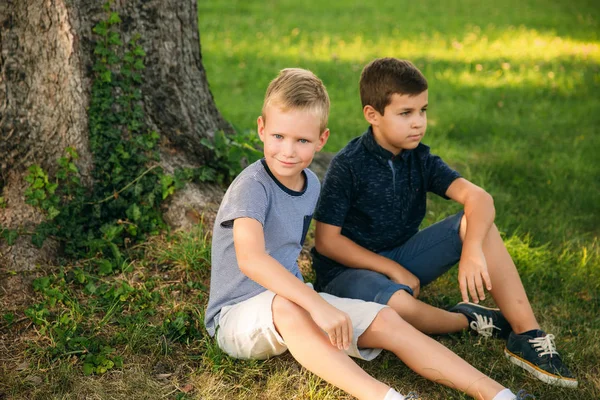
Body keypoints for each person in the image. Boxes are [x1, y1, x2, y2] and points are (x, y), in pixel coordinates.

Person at [204, 67, 534, 400]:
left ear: (321, 140)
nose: (288, 150)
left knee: (389, 320)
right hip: (238, 315)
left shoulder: (310, 183)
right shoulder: (252, 186)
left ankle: (499, 395)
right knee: (289, 308)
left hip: (295, 298)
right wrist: (317, 305)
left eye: (302, 140)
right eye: (278, 136)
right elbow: (251, 259)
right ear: (262, 129)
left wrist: (316, 303)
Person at [311, 57, 577, 389]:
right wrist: (392, 270)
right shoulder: (348, 165)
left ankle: (526, 333)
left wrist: (473, 251)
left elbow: (480, 199)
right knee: (402, 306)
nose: (418, 123)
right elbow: (327, 242)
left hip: (402, 254)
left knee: (477, 224)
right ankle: (466, 319)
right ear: (372, 115)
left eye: (422, 110)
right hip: (346, 274)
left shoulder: (419, 158)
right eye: (405, 113)